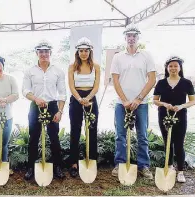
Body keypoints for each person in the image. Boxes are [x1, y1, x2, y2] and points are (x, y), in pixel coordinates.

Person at [110, 25, 156, 179]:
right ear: (125, 38)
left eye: (134, 36)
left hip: (141, 104)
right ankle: (120, 163)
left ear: (138, 38)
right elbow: (115, 81)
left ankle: (144, 166)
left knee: (142, 135)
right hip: (121, 104)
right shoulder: (118, 57)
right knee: (120, 135)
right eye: (128, 36)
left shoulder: (146, 55)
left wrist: (138, 99)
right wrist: (124, 100)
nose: (131, 38)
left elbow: (152, 79)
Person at [22, 41, 67, 181]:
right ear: (37, 53)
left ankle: (58, 167)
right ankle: (30, 168)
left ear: (50, 53)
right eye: (41, 52)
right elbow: (25, 91)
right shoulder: (30, 71)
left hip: (52, 106)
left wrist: (60, 111)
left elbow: (62, 93)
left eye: (46, 51)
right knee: (33, 138)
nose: (44, 54)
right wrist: (36, 99)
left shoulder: (58, 71)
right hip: (36, 106)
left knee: (54, 138)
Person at [153, 56, 195, 183]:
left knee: (179, 144)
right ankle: (169, 166)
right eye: (170, 66)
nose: (173, 68)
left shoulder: (186, 83)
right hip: (164, 116)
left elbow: (192, 101)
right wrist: (165, 104)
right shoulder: (161, 83)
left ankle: (180, 171)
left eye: (176, 66)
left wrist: (181, 106)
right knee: (167, 142)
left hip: (180, 116)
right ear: (167, 68)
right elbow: (155, 100)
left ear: (180, 67)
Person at [68, 37, 100, 178]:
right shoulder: (72, 67)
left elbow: (97, 86)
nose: (84, 53)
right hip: (76, 98)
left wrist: (88, 98)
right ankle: (73, 163)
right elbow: (71, 86)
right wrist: (80, 98)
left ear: (90, 51)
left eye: (86, 51)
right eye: (81, 51)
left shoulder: (96, 67)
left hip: (91, 98)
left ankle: (91, 160)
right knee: (75, 131)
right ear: (77, 52)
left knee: (91, 130)